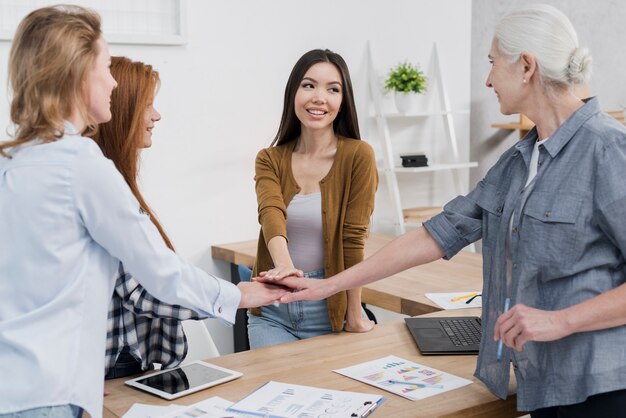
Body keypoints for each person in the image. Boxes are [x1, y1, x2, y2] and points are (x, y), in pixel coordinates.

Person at [259, 5, 626, 416]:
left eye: (492, 64)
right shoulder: (520, 160)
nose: (487, 79)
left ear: (526, 66)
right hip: (542, 384)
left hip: (604, 388)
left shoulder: (608, 149)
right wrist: (327, 285)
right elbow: (436, 234)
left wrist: (564, 320)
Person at [0, 5, 288, 418]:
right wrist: (239, 294)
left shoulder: (11, 160)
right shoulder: (80, 163)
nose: (113, 81)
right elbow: (158, 272)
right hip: (48, 395)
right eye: (105, 66)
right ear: (80, 74)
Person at [247, 49, 378, 348]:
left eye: (333, 89)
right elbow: (271, 214)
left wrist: (354, 314)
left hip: (329, 307)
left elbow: (353, 239)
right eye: (309, 85)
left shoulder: (358, 156)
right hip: (273, 307)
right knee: (274, 392)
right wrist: (285, 269)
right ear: (293, 92)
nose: (320, 97)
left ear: (343, 102)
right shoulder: (269, 158)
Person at [90, 56, 205, 379]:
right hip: (107, 368)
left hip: (124, 359)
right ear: (121, 110)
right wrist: (238, 296)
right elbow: (147, 290)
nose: (156, 116)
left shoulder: (114, 181)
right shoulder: (100, 189)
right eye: (147, 105)